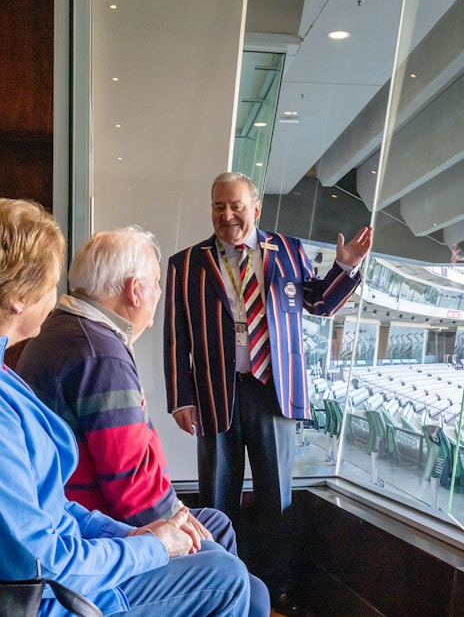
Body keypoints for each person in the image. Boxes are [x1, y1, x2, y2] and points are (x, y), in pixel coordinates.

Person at [1, 197, 267, 617]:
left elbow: (51, 505)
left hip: (78, 541)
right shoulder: (97, 354)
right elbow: (47, 558)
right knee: (231, 578)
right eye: (50, 285)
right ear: (18, 299)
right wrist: (152, 543)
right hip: (63, 593)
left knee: (218, 536)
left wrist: (143, 535)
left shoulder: (39, 353)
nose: (56, 297)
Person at [163, 171, 372, 604]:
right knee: (217, 495)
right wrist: (180, 399)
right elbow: (175, 337)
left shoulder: (289, 251)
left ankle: (274, 589)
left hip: (274, 391)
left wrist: (345, 267)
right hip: (214, 393)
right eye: (219, 206)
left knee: (276, 496)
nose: (227, 215)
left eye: (236, 205)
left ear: (255, 209)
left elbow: (318, 303)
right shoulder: (187, 263)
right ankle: (218, 587)